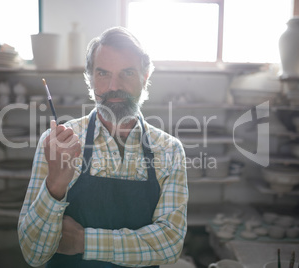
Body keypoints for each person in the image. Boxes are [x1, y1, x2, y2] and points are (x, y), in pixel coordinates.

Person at [18, 26, 188, 268]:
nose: (113, 86)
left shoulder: (170, 150)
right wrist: (55, 185)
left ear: (145, 75)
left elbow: (170, 245)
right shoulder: (58, 144)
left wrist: (82, 241)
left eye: (127, 73)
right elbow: (33, 254)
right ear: (90, 78)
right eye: (103, 74)